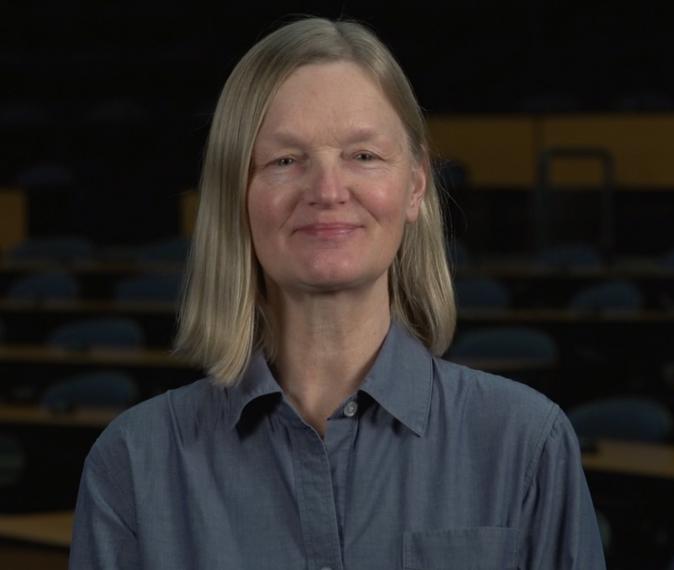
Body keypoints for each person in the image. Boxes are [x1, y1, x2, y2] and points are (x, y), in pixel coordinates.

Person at [69, 16, 606, 569]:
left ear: (415, 185)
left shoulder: (526, 444)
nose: (327, 191)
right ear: (236, 191)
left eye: (364, 156)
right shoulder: (132, 465)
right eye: (285, 161)